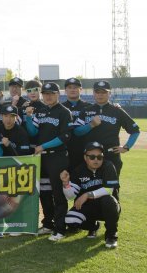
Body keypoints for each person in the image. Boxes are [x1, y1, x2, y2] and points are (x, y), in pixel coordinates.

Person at [74, 80, 140, 200]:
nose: (100, 95)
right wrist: (91, 125)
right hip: (90, 158)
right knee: (89, 189)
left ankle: (112, 217)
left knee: (112, 191)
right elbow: (77, 132)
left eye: (104, 92)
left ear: (109, 93)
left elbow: (135, 131)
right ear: (93, 93)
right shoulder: (86, 111)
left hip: (111, 157)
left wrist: (126, 147)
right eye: (97, 92)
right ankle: (91, 218)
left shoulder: (117, 111)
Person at [24, 82, 72, 241]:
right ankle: (48, 223)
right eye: (46, 94)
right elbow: (33, 132)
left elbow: (65, 137)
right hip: (42, 158)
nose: (48, 96)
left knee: (58, 194)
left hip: (57, 157)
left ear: (58, 94)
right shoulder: (41, 111)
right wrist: (28, 118)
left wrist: (43, 146)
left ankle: (60, 229)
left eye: (52, 93)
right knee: (44, 192)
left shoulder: (64, 112)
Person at [62, 141, 120, 249]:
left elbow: (109, 190)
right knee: (70, 220)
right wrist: (66, 184)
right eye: (92, 157)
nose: (96, 160)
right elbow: (70, 196)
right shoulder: (78, 170)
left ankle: (111, 236)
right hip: (88, 207)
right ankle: (93, 226)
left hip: (108, 206)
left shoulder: (108, 166)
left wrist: (87, 195)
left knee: (108, 200)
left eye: (99, 157)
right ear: (85, 157)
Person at [62, 77, 92, 172]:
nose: (72, 90)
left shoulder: (89, 107)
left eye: (75, 87)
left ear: (80, 89)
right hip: (65, 150)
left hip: (84, 148)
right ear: (65, 90)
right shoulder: (60, 107)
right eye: (70, 87)